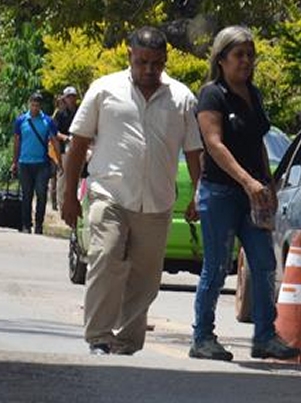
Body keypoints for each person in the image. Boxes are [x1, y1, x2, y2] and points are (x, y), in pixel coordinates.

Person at [60, 27, 202, 356]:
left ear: (165, 60)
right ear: (130, 57)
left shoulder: (182, 98)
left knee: (146, 276)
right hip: (108, 194)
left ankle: (125, 342)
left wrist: (198, 193)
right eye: (142, 62)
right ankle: (98, 336)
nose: (149, 70)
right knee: (106, 256)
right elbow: (78, 143)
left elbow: (195, 152)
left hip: (156, 202)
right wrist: (69, 196)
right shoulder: (104, 89)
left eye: (156, 63)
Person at [189, 25, 300, 362]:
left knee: (264, 263)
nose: (246, 61)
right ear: (221, 59)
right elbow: (214, 144)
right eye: (239, 55)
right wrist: (246, 182)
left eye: (250, 55)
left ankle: (265, 336)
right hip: (221, 192)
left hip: (254, 196)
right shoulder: (212, 95)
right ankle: (202, 337)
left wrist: (266, 184)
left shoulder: (254, 94)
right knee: (217, 266)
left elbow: (258, 144)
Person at [11, 92, 59, 234]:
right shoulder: (21, 121)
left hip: (41, 164)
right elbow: (17, 142)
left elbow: (54, 142)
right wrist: (14, 161)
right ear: (29, 104)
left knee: (41, 194)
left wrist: (58, 161)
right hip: (24, 163)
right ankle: (26, 224)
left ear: (40, 106)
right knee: (27, 195)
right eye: (32, 105)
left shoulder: (47, 121)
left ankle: (39, 224)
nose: (35, 108)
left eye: (37, 105)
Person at [52, 86, 80, 212]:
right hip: (64, 150)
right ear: (65, 98)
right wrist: (66, 138)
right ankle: (61, 205)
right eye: (69, 97)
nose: (71, 99)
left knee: (80, 177)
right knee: (62, 178)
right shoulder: (60, 114)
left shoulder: (81, 112)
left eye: (73, 96)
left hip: (80, 149)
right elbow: (55, 132)